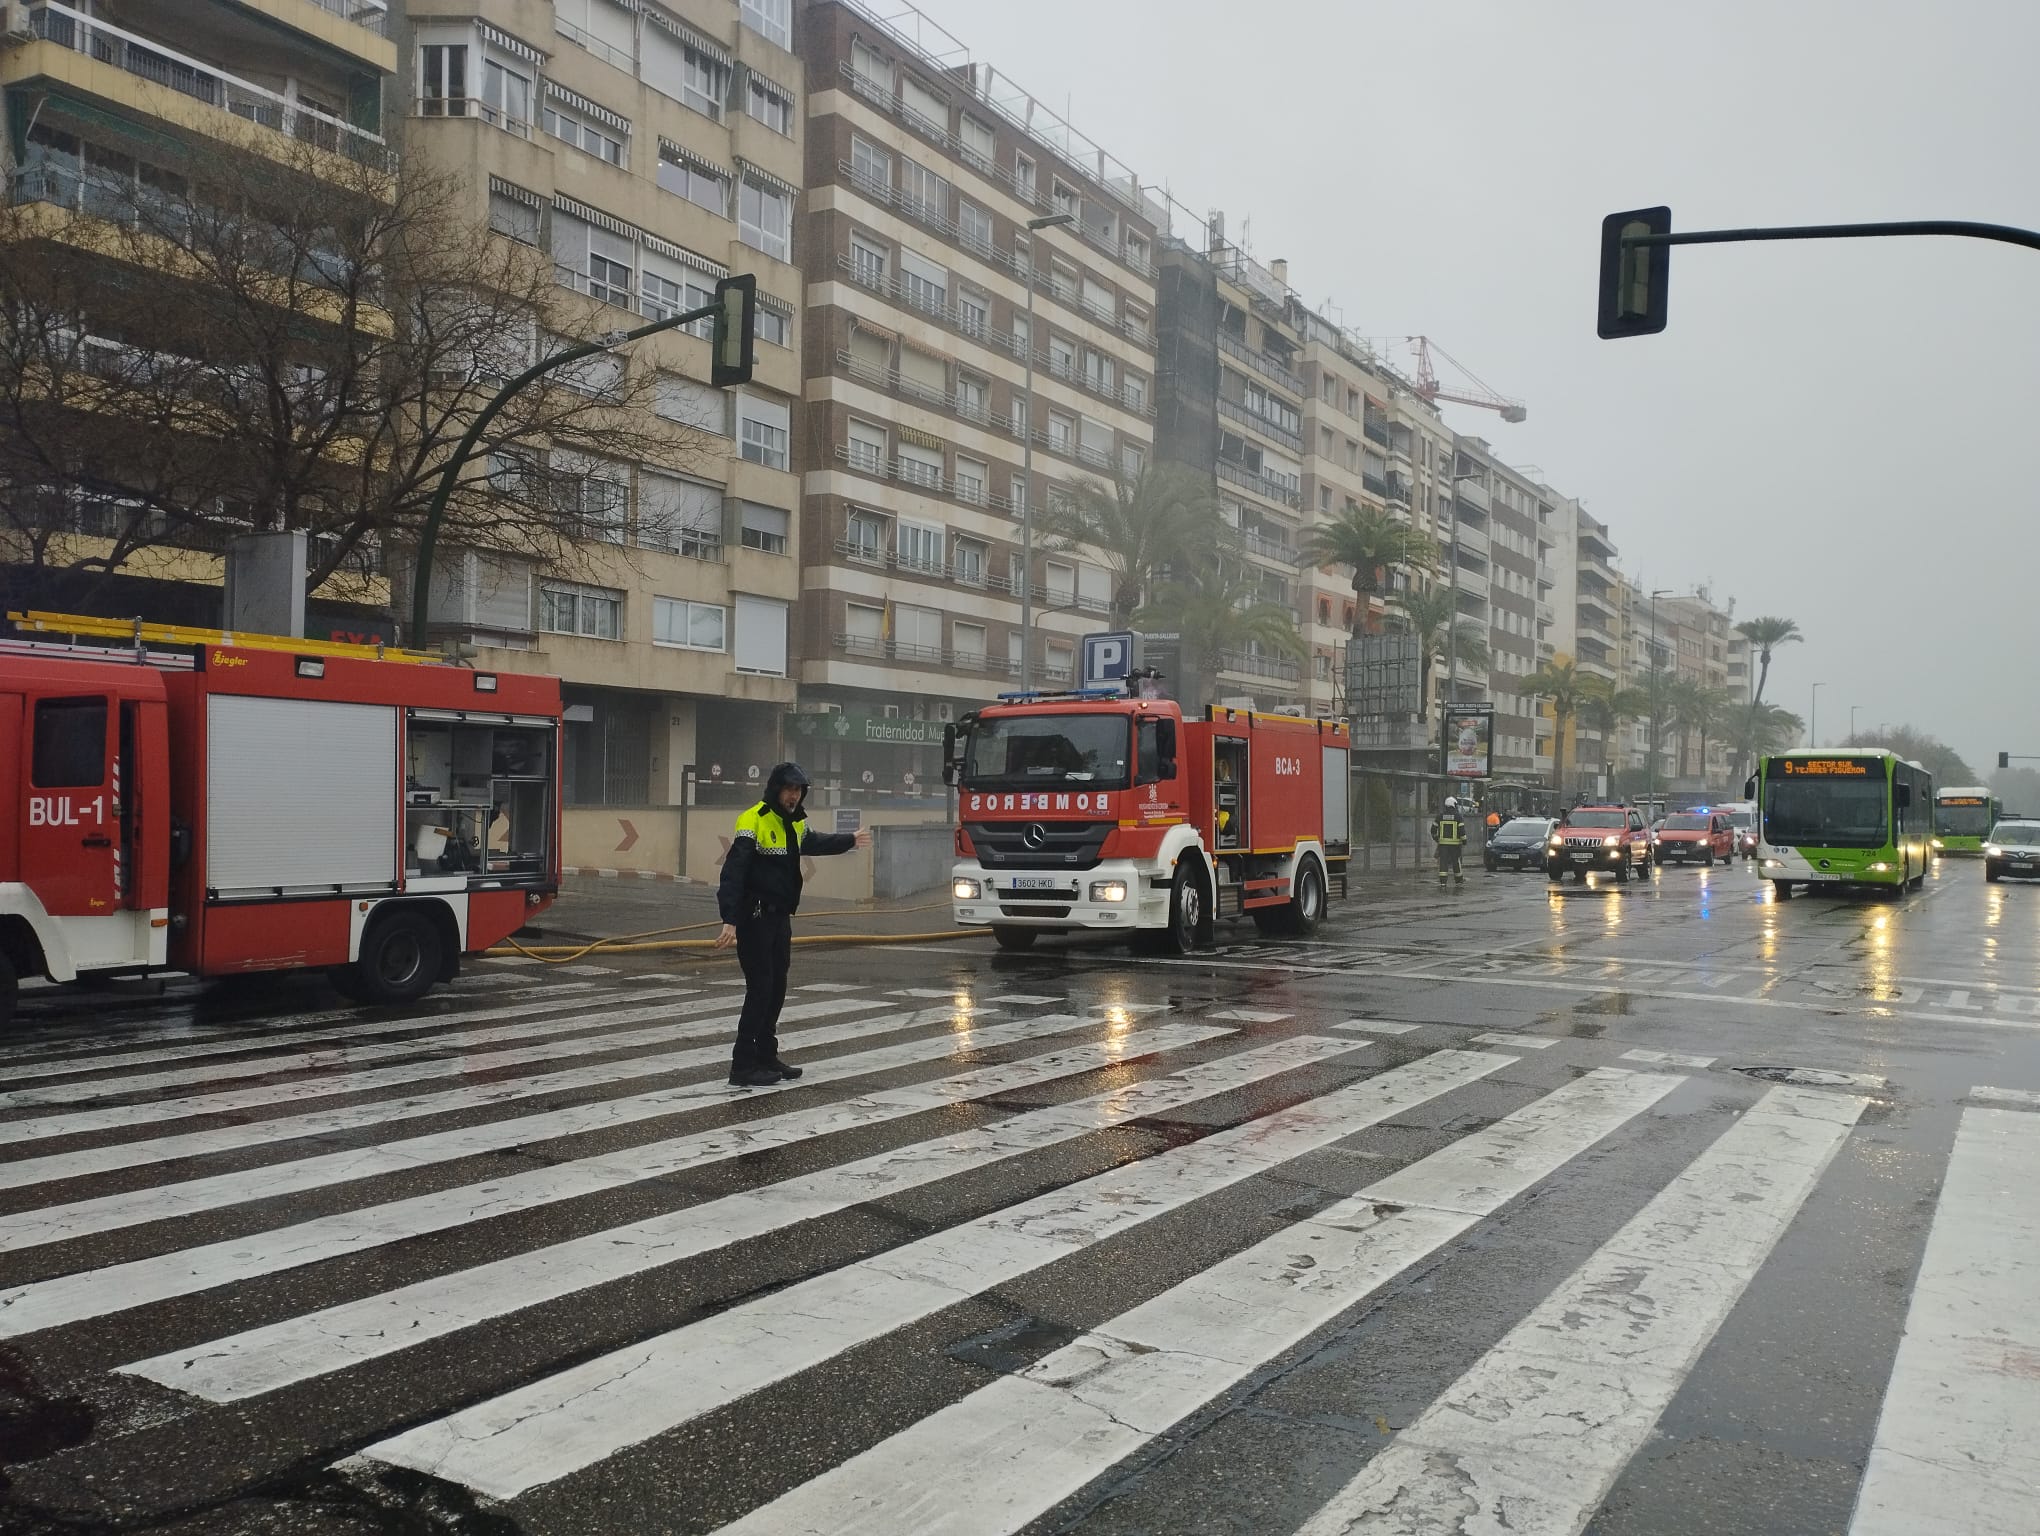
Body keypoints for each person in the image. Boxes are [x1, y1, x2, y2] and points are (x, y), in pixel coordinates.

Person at [714, 763, 872, 1086]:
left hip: (779, 918)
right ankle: (742, 1065)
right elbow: (733, 872)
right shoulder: (753, 819)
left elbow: (816, 842)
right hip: (754, 918)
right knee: (760, 989)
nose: (794, 796)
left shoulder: (795, 824)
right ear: (775, 789)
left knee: (776, 989)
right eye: (789, 790)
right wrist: (730, 919)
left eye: (799, 791)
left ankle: (766, 1055)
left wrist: (850, 840)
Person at [1431, 795, 1467, 885]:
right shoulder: (1458, 817)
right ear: (1453, 805)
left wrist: (1436, 838)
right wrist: (1464, 840)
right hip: (1455, 845)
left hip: (1443, 845)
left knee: (1443, 862)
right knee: (1456, 862)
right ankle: (1458, 880)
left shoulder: (1440, 816)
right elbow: (1462, 831)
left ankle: (1443, 882)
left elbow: (1433, 829)